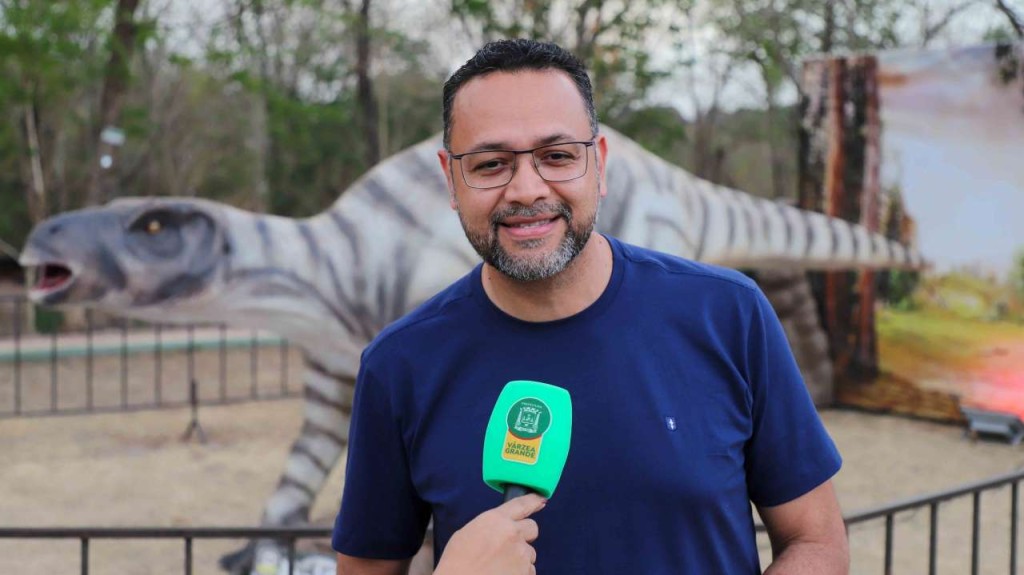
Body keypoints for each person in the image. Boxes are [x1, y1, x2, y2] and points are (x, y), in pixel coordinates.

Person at [332, 38, 849, 574]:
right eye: (490, 164)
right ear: (450, 179)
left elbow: (817, 541)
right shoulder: (399, 365)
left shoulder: (728, 315)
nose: (526, 189)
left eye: (557, 156)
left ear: (598, 163)